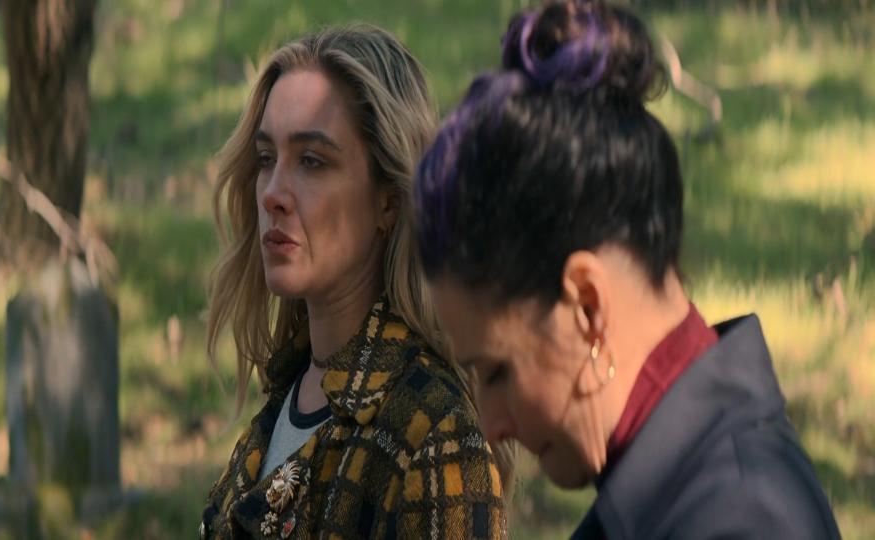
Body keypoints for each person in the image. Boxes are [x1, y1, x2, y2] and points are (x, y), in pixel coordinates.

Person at [414, 1, 841, 538]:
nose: (491, 423)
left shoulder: (739, 521)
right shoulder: (687, 492)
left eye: (498, 371)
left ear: (588, 304)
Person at [200, 24, 507, 539]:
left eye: (313, 162)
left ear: (389, 198)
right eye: (267, 159)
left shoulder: (432, 435)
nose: (273, 193)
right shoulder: (290, 391)